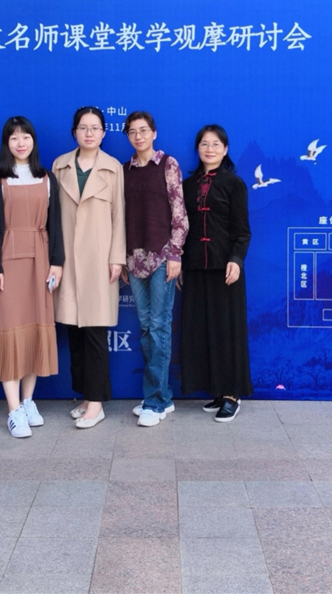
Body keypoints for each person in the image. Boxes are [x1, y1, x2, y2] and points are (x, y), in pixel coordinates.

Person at [0, 117, 64, 438]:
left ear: (33, 141)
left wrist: (57, 263)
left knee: (34, 329)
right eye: (14, 137)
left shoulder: (46, 178)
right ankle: (13, 409)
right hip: (6, 260)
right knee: (10, 331)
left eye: (26, 136)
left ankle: (28, 401)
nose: (20, 142)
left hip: (40, 258)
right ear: (7, 143)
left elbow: (56, 224)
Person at [53, 107, 126, 429]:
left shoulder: (113, 168)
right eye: (83, 127)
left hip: (99, 259)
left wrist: (117, 257)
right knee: (74, 331)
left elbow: (119, 215)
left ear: (104, 132)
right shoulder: (60, 165)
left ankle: (96, 403)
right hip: (67, 259)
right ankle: (85, 396)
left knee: (95, 332)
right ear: (75, 132)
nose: (89, 133)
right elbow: (52, 217)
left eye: (95, 128)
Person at [180, 124, 252, 423]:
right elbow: (182, 229)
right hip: (196, 266)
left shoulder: (234, 184)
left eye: (216, 144)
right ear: (197, 149)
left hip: (226, 268)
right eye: (204, 144)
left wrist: (236, 259)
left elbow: (243, 231)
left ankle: (232, 395)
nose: (209, 149)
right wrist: (180, 262)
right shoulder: (188, 185)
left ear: (225, 149)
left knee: (227, 330)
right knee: (202, 331)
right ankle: (217, 391)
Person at [121, 111, 188, 427]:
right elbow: (120, 217)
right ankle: (163, 396)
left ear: (154, 133)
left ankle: (155, 401)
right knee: (147, 326)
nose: (138, 136)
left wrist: (175, 254)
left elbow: (179, 212)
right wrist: (121, 257)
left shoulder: (167, 164)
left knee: (160, 326)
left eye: (143, 130)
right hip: (134, 258)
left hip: (162, 255)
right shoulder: (124, 170)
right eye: (132, 132)